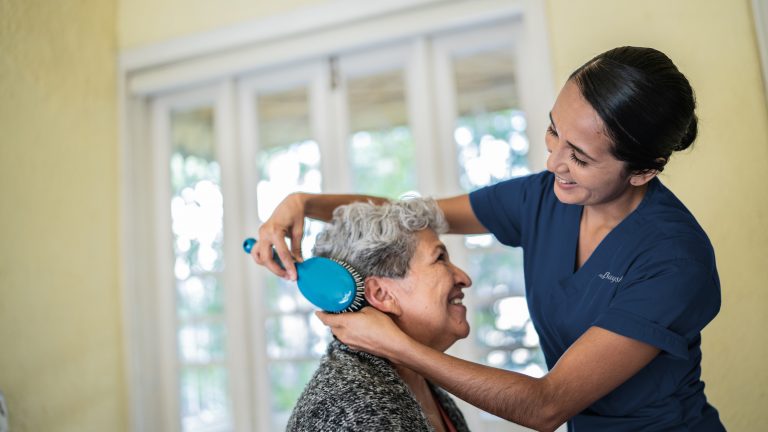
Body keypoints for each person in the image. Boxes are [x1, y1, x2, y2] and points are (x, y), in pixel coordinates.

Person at [253, 46, 724, 431]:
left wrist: (396, 345)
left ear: (642, 171)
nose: (552, 164)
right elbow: (406, 217)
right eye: (553, 132)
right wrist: (303, 202)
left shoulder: (674, 260)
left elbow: (546, 406)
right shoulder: (544, 198)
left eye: (578, 157)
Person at [285, 198, 472, 432]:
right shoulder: (351, 407)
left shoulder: (422, 384)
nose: (465, 278)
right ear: (382, 294)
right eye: (440, 259)